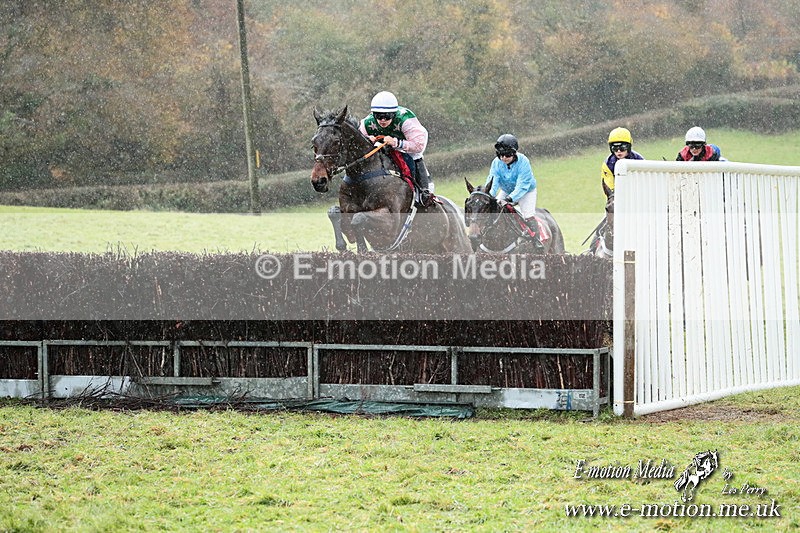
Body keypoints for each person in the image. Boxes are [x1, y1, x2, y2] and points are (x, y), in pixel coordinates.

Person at [359, 91, 433, 206]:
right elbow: (359, 139)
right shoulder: (367, 123)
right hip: (387, 141)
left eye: (387, 116)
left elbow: (418, 146)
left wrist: (396, 142)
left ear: (393, 114)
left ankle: (424, 191)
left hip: (413, 140)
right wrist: (368, 139)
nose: (382, 120)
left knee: (414, 155)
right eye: (378, 116)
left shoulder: (405, 120)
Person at [485, 134, 542, 248]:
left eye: (507, 155)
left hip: (526, 191)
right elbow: (493, 181)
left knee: (528, 215)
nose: (503, 158)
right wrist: (488, 196)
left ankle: (537, 241)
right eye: (500, 155)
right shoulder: (496, 163)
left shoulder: (523, 161)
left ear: (514, 153)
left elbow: (522, 186)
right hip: (506, 190)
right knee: (493, 211)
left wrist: (509, 199)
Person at [601, 127, 644, 199]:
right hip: (618, 195)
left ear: (629, 147)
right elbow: (610, 190)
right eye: (615, 148)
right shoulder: (608, 165)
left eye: (622, 148)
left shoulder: (639, 160)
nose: (618, 151)